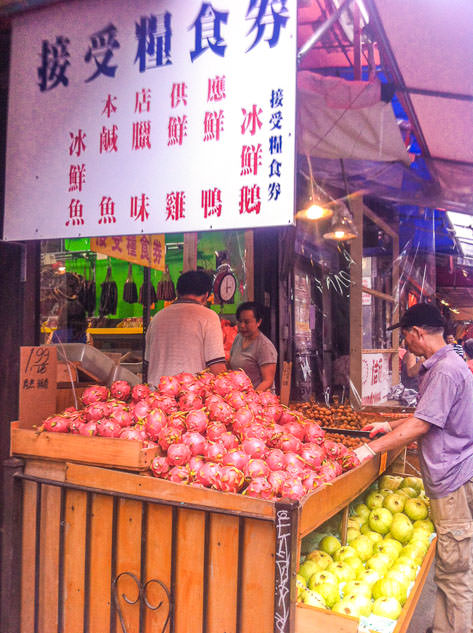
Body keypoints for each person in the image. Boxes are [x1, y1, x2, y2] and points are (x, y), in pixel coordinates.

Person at [355, 303, 473, 633]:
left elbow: (422, 425)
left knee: (454, 571)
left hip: (452, 481)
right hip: (454, 474)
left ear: (418, 333)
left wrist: (369, 448)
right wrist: (389, 426)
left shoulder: (446, 369)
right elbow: (430, 416)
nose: (404, 344)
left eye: (405, 336)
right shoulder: (448, 363)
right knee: (454, 567)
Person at [145, 270, 226, 386]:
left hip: (156, 396)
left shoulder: (157, 317)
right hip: (190, 397)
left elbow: (147, 363)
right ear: (206, 295)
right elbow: (217, 367)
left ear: (178, 292)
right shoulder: (209, 317)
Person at [228, 301, 277, 392]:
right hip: (240, 398)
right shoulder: (238, 338)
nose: (242, 326)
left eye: (247, 322)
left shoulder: (264, 346)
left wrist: (251, 398)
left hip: (258, 400)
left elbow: (268, 381)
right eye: (240, 321)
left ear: (258, 322)